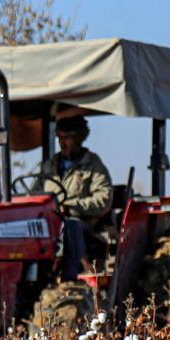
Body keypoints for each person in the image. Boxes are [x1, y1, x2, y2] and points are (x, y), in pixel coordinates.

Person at [31, 115, 113, 281]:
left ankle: (69, 279)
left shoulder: (93, 166)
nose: (62, 142)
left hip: (83, 226)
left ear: (80, 138)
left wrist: (70, 207)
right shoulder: (50, 166)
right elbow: (34, 195)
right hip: (50, 223)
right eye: (60, 137)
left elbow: (103, 200)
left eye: (67, 137)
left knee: (70, 226)